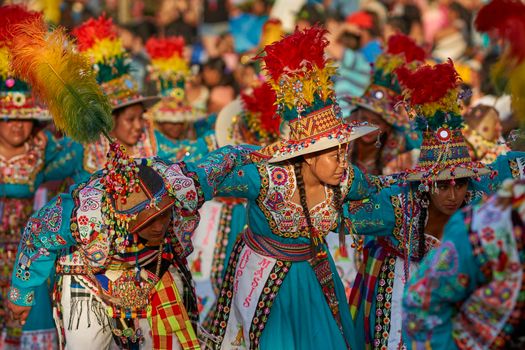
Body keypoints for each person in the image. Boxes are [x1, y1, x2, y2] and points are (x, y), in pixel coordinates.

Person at [185, 26, 381, 349]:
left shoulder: (344, 180)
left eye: (343, 150)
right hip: (266, 282)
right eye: (333, 152)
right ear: (306, 156)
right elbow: (215, 178)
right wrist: (204, 172)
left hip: (315, 277)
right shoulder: (267, 179)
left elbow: (379, 188)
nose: (343, 160)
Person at [348, 60, 525, 350]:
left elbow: (514, 164)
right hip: (399, 299)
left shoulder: (483, 190)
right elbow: (343, 211)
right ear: (426, 184)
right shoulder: (396, 202)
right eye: (442, 185)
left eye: (461, 182)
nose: (453, 194)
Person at [0, 6, 80, 348]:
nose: (16, 124)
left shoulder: (43, 148)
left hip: (25, 255)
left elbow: (82, 156)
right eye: (7, 118)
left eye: (24, 118)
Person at [67, 15, 217, 182]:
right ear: (110, 120)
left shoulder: (151, 141)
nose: (138, 125)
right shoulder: (86, 148)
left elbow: (188, 150)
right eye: (130, 119)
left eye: (140, 117)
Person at [347, 34, 424, 176]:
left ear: (388, 126)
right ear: (356, 115)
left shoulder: (400, 143)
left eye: (376, 122)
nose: (367, 126)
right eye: (363, 118)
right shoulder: (342, 137)